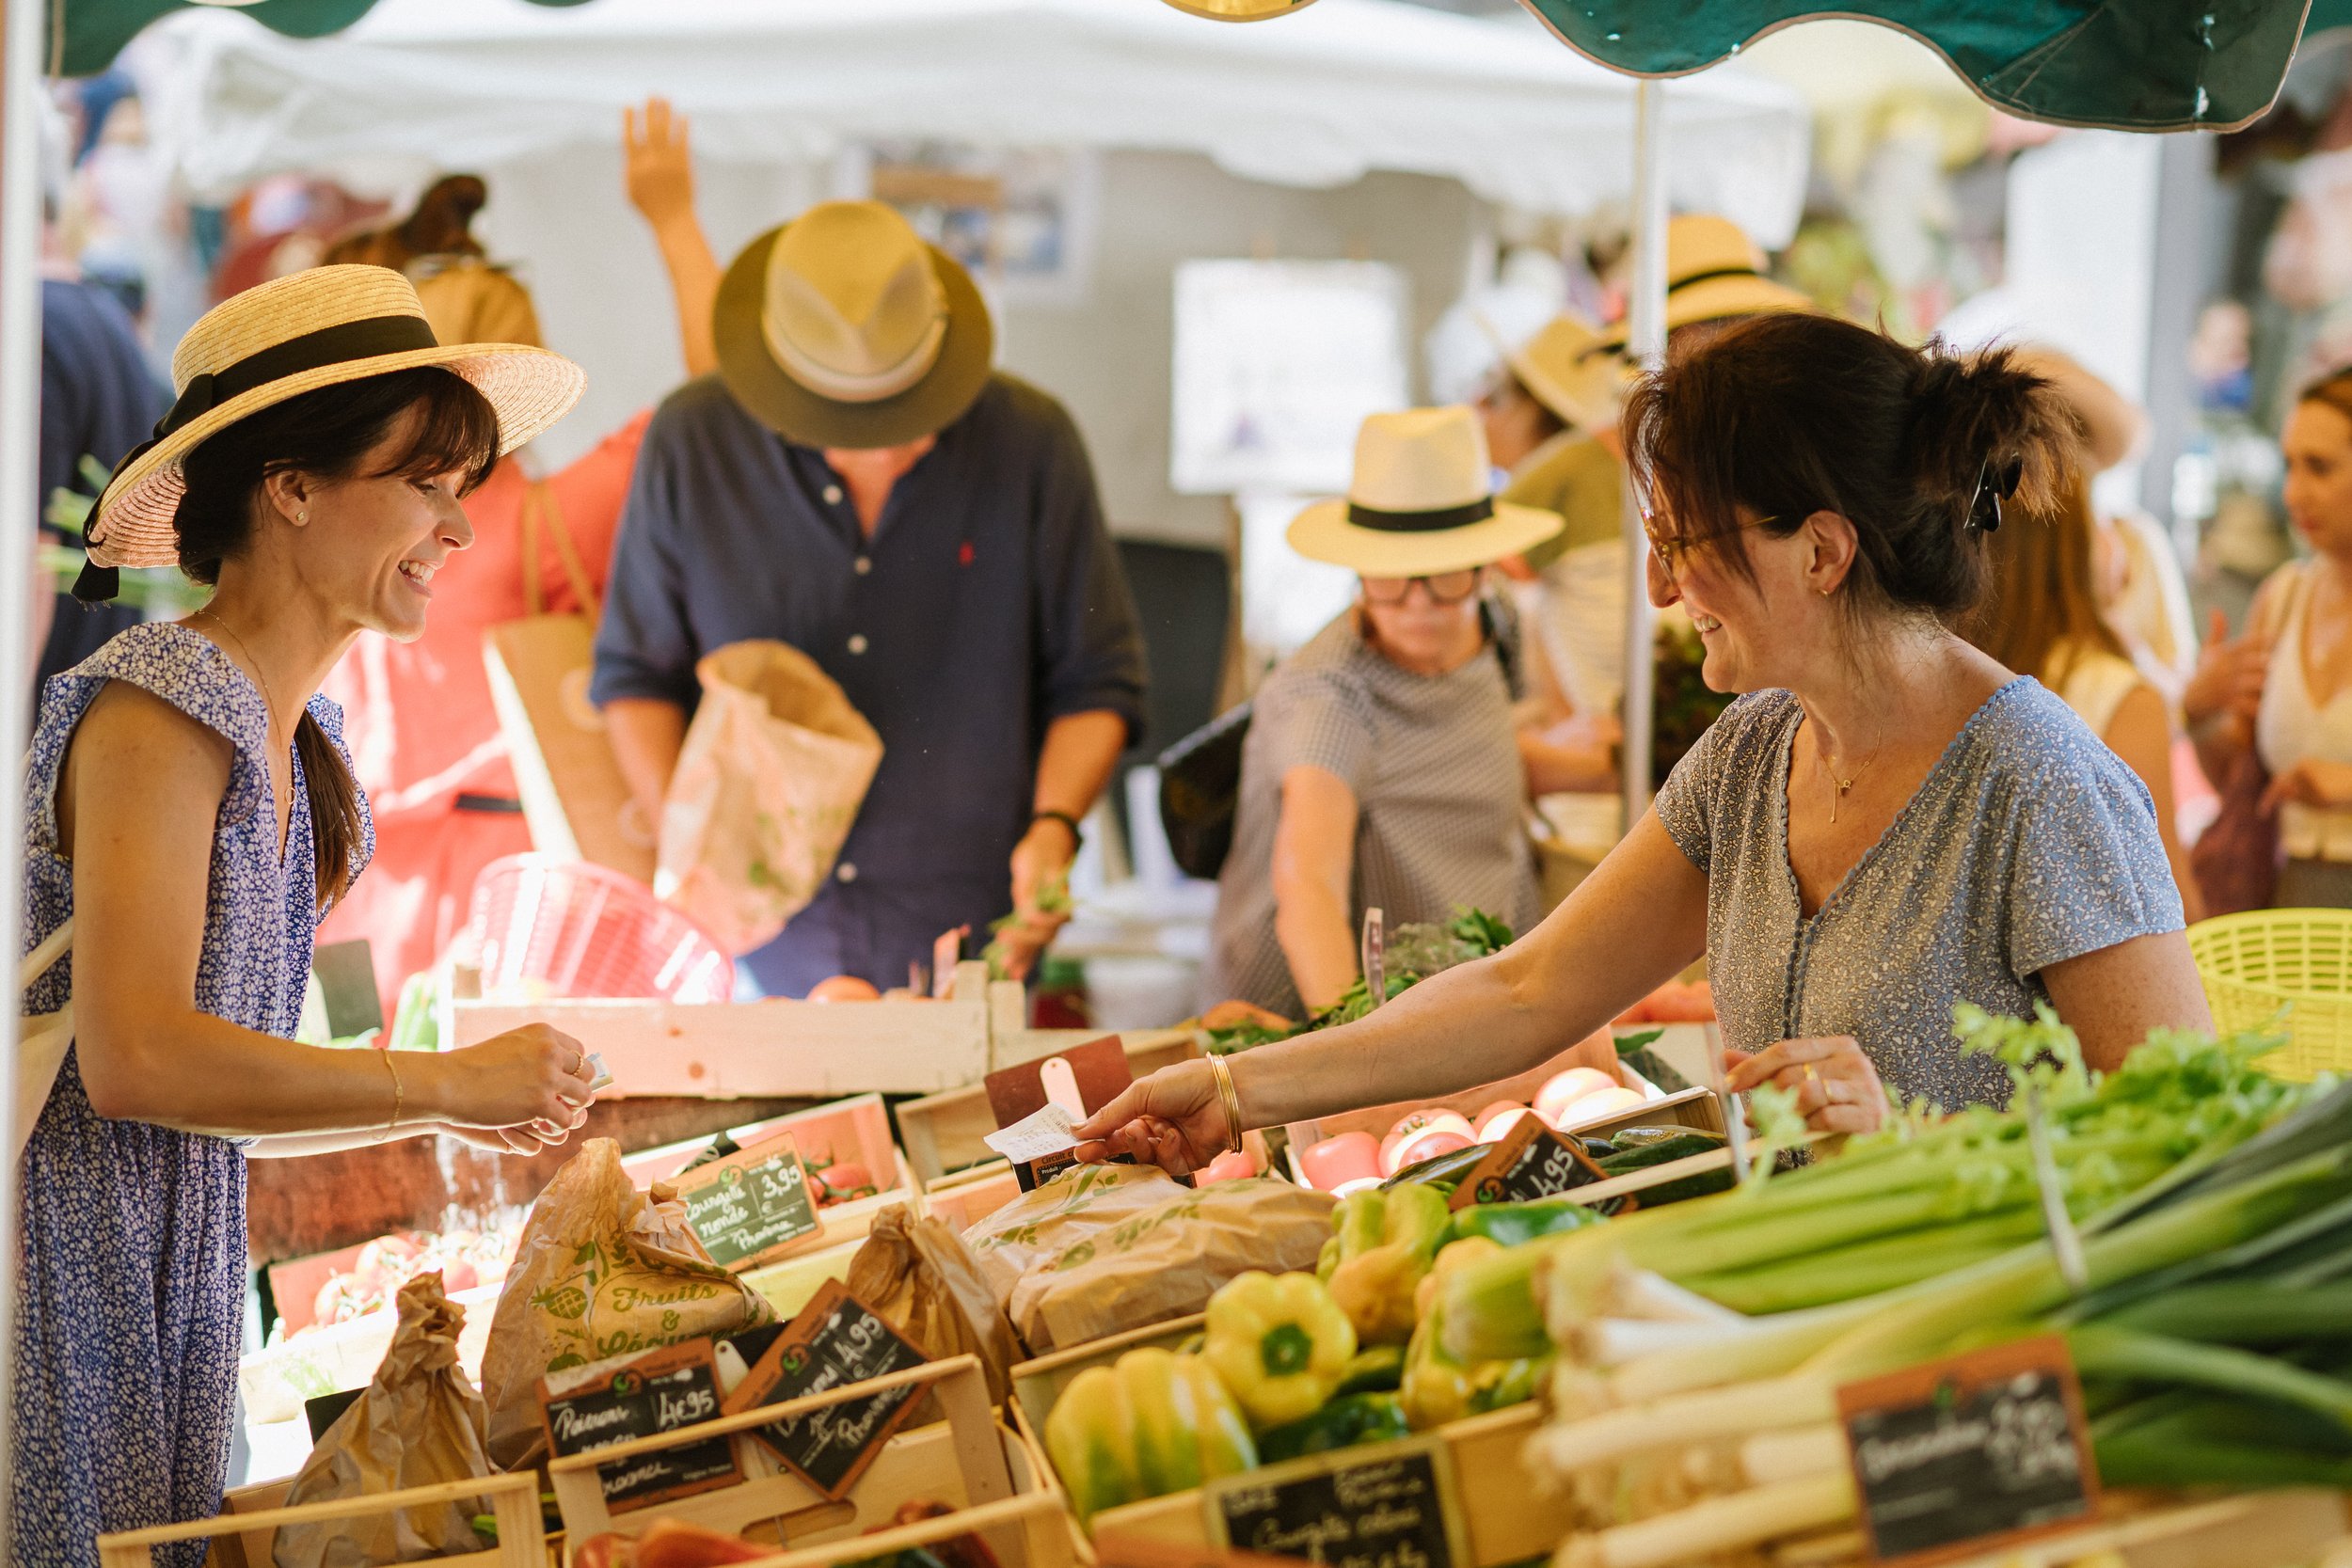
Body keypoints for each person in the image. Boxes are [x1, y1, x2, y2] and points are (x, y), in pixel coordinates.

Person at [1079, 314, 2210, 1176]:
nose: (1664, 588)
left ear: (1819, 552)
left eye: (1682, 543)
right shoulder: (1756, 750)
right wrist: (1236, 1087)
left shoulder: (2040, 785)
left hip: (1972, 1370)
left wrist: (1906, 1139)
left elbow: (2183, 1147)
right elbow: (1528, 989)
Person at [16, 265, 600, 1565]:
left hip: (172, 1246)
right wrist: (446, 1081)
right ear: (290, 486)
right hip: (64, 1256)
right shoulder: (160, 706)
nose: (455, 529)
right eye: (424, 483)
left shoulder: (305, 737)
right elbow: (138, 1057)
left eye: (462, 488)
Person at [592, 199, 1146, 996]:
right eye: (855, 419)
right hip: (754, 947)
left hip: (973, 931)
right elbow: (634, 675)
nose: (891, 440)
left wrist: (1056, 827)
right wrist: (696, 860)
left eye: (915, 407)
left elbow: (1099, 679)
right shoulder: (694, 442)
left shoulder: (1032, 444)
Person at [314, 103, 722, 1019]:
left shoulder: (310, 501)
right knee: (509, 1138)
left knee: (363, 1121)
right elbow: (713, 407)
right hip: (524, 895)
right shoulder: (547, 518)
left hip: (350, 882)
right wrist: (673, 224)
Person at [1209, 406, 1597, 1019]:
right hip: (1343, 1011)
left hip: (1478, 987)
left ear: (1483, 564)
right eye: (1389, 575)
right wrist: (1355, 1050)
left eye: (1442, 573)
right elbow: (1307, 885)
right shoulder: (1330, 696)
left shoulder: (1499, 626)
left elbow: (1478, 755)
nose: (1416, 601)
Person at [1963, 467, 2204, 920]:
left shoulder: (1952, 673)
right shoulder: (2123, 699)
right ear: (2071, 549)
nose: (2119, 543)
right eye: (2105, 522)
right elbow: (2170, 901)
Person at [2189, 367, 2352, 906]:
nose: (2293, 492)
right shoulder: (2282, 600)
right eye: (2289, 466)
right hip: (2291, 913)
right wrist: (2202, 711)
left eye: (2319, 468)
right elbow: (2241, 788)